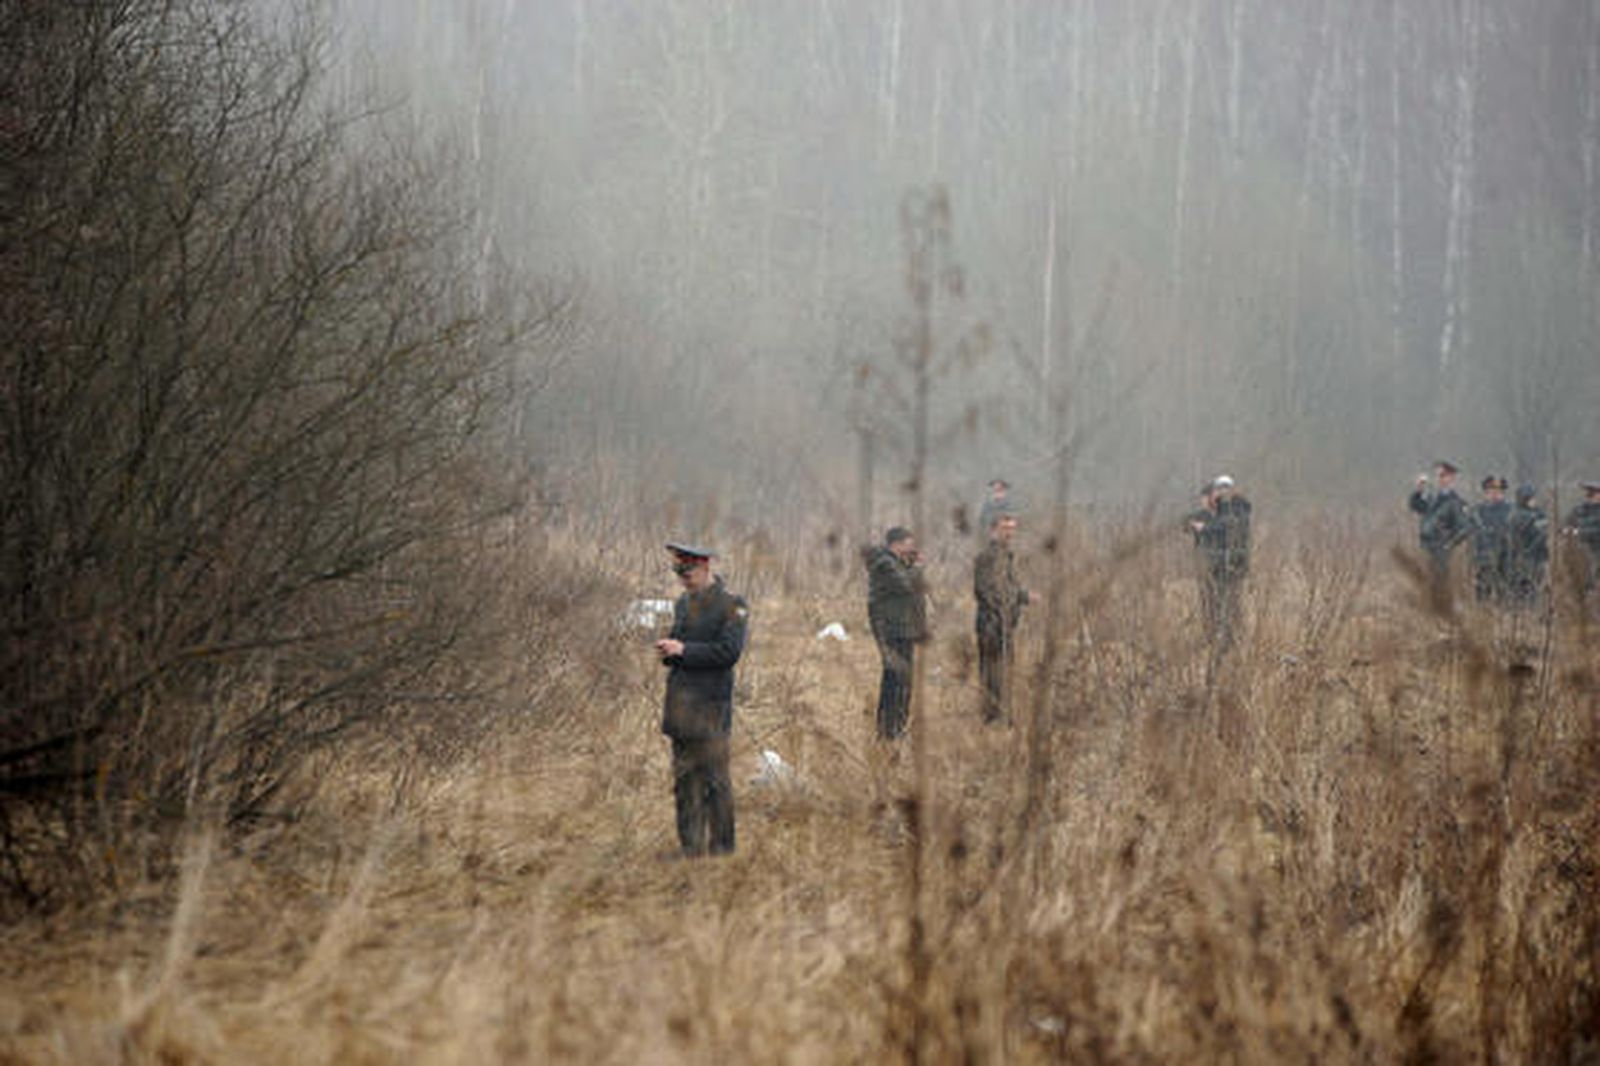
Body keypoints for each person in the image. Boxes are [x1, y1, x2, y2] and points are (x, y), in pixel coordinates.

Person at [655, 542, 748, 857]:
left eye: (688, 571)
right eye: (679, 571)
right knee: (684, 784)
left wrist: (685, 650)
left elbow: (729, 652)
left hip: (710, 709)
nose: (683, 577)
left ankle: (722, 850)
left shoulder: (733, 605)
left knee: (715, 784)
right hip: (680, 706)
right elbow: (680, 644)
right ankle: (690, 849)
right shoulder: (683, 604)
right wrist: (669, 652)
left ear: (706, 567)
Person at [864, 526, 927, 740]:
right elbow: (907, 586)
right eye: (909, 545)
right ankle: (888, 731)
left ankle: (895, 728)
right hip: (890, 631)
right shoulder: (885, 565)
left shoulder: (896, 564)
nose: (912, 549)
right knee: (894, 681)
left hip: (901, 629)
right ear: (896, 544)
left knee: (901, 681)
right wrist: (917, 567)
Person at [974, 512, 1028, 723]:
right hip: (990, 623)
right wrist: (1020, 596)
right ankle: (992, 720)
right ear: (993, 530)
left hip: (1005, 624)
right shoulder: (987, 556)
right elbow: (984, 591)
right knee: (992, 674)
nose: (1009, 533)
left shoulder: (1006, 556)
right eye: (1005, 528)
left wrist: (1020, 597)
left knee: (1005, 673)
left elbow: (1008, 587)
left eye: (1012, 529)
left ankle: (1002, 717)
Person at [1189, 475, 1251, 651]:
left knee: (1229, 605)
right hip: (1217, 567)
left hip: (1232, 566)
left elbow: (1226, 527)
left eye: (1225, 488)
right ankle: (1217, 640)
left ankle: (1232, 642)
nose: (1221, 492)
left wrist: (1204, 528)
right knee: (1215, 605)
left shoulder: (1238, 507)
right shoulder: (1220, 510)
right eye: (1219, 489)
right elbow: (1189, 522)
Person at [1409, 460, 1469, 582]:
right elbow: (1415, 506)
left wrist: (1448, 545)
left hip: (1441, 551)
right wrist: (1419, 490)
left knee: (1440, 583)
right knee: (1424, 582)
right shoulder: (1433, 498)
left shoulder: (1456, 502)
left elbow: (1464, 528)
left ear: (1452, 478)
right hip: (1426, 547)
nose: (1440, 479)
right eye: (1437, 476)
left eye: (1443, 475)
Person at [1468, 475, 1512, 605]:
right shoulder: (1477, 511)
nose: (1494, 494)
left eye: (1498, 491)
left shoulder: (1511, 510)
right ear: (1485, 492)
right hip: (1484, 558)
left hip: (1505, 559)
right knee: (1482, 594)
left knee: (1504, 594)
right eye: (1491, 491)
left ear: (1503, 493)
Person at [1506, 484, 1549, 610]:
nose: (1534, 501)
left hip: (1536, 558)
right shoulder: (1518, 514)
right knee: (1523, 589)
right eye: (1531, 498)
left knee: (1533, 588)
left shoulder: (1537, 513)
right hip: (1523, 558)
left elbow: (1544, 533)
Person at [1563, 480, 1600, 600]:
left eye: (1596, 493)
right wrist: (1567, 531)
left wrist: (1579, 532)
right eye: (1592, 493)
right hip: (1579, 555)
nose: (1593, 496)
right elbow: (1565, 526)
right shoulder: (1579, 510)